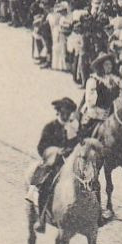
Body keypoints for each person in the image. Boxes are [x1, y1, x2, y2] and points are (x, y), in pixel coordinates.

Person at [29, 98, 80, 231]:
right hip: (54, 163)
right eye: (64, 112)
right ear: (58, 112)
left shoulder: (73, 128)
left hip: (70, 162)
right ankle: (41, 218)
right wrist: (56, 151)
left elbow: (77, 143)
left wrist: (74, 149)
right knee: (47, 184)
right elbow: (41, 147)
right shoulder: (50, 127)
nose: (66, 115)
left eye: (69, 112)